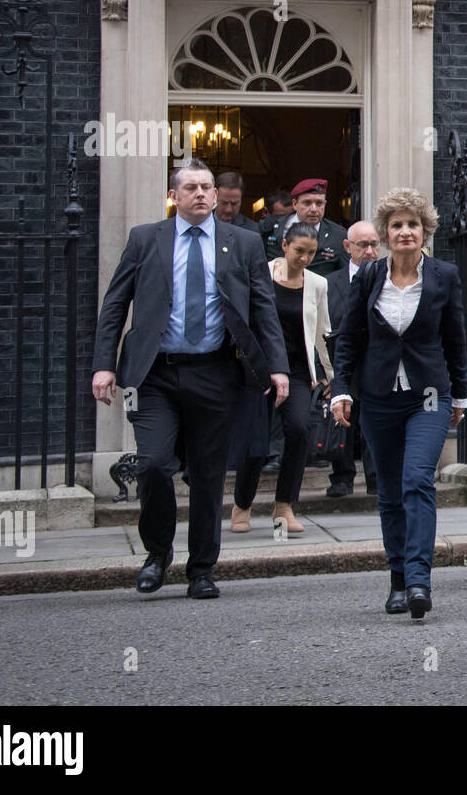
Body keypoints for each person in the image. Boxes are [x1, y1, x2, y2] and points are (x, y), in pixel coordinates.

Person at [91, 158, 289, 599]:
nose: (200, 194)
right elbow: (115, 304)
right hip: (157, 374)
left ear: (216, 196)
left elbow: (263, 309)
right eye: (191, 188)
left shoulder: (242, 241)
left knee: (207, 475)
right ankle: (158, 554)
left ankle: (201, 569)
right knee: (154, 465)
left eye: (206, 188)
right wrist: (103, 364)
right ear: (174, 197)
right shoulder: (146, 239)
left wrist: (277, 367)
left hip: (216, 373)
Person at [330, 188, 467, 620]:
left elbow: (455, 340)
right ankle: (396, 579)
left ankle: (418, 580)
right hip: (378, 399)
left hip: (428, 396)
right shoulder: (369, 277)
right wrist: (341, 389)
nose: (405, 231)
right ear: (386, 234)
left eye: (413, 224)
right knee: (389, 492)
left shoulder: (444, 275)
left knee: (416, 481)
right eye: (397, 225)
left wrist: (460, 393)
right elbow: (349, 337)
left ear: (424, 230)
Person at [230, 222, 332, 535]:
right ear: (284, 245)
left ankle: (284, 506)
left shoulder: (317, 284)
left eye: (311, 253)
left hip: (299, 371)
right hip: (260, 371)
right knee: (256, 442)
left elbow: (322, 332)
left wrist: (330, 375)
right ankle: (242, 504)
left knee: (299, 430)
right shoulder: (261, 273)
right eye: (299, 250)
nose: (304, 258)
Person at [324, 221, 382, 497]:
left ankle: (375, 477)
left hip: (377, 361)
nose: (370, 251)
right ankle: (342, 477)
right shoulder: (330, 283)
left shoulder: (388, 277)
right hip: (343, 361)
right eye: (363, 245)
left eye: (374, 244)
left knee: (373, 420)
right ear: (348, 247)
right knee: (343, 420)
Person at [265, 178, 349, 276]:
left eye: (319, 203)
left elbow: (344, 276)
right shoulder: (270, 227)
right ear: (295, 204)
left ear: (325, 204)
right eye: (307, 203)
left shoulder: (338, 235)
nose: (314, 209)